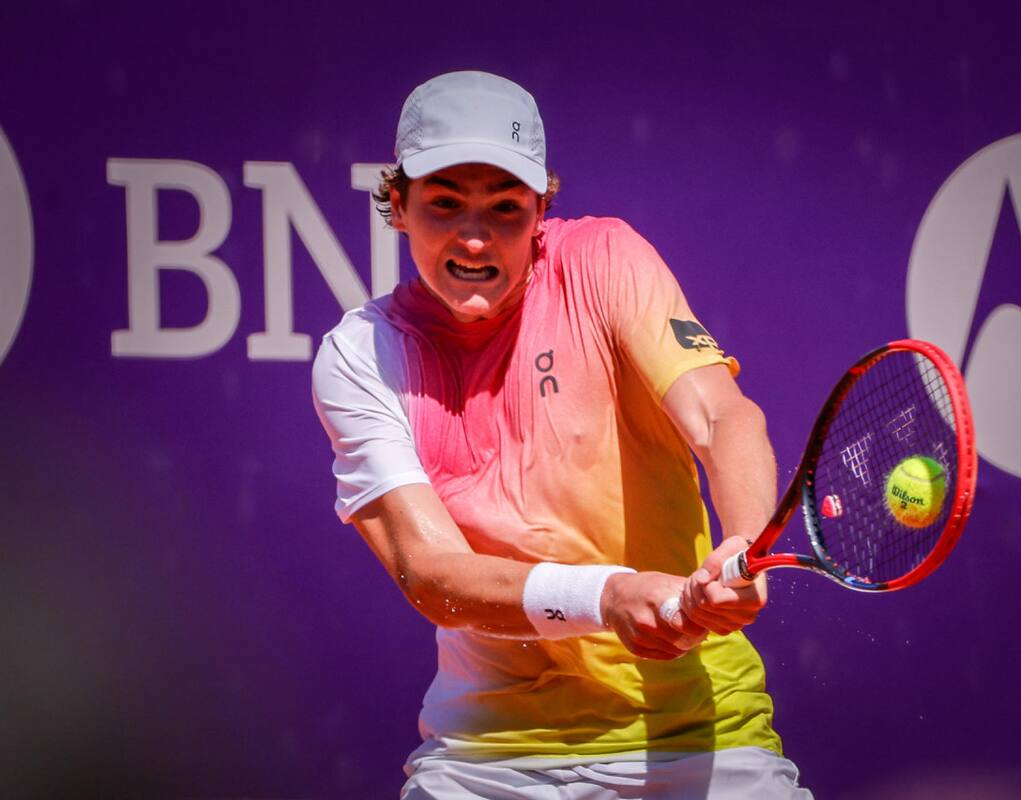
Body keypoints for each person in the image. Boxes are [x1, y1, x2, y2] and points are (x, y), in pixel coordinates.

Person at [312, 70, 812, 799]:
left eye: (505, 210)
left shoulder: (604, 259)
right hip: (487, 761)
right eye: (445, 205)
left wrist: (743, 543)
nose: (475, 238)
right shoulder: (361, 354)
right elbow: (433, 576)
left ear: (542, 208)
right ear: (397, 205)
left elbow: (722, 416)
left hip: (698, 740)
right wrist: (608, 596)